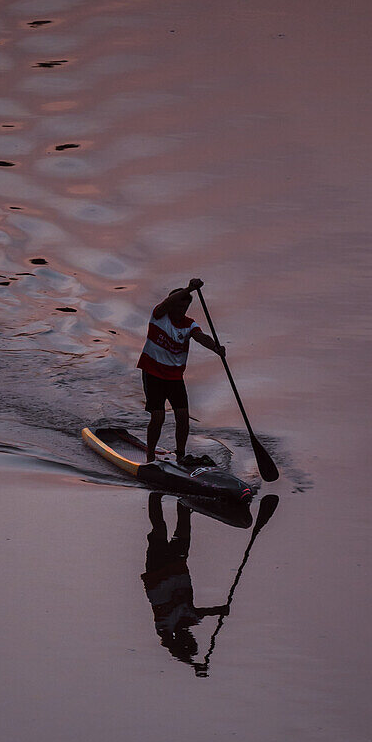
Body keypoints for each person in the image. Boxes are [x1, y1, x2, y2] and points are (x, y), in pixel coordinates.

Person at [137, 277, 225, 464]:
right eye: (177, 307)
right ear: (171, 305)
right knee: (158, 416)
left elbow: (201, 337)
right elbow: (168, 303)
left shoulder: (189, 324)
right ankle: (150, 456)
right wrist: (189, 289)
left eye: (184, 308)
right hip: (153, 373)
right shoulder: (159, 315)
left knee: (183, 417)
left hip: (174, 377)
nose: (180, 311)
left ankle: (181, 455)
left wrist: (216, 347)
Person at [141, 494, 229, 675]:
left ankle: (155, 494)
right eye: (192, 638)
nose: (190, 635)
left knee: (159, 527)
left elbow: (170, 647)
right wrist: (221, 610)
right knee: (184, 525)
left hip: (157, 571)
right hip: (178, 565)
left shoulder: (165, 629)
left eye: (189, 639)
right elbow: (204, 612)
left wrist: (191, 664)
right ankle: (184, 495)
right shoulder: (190, 619)